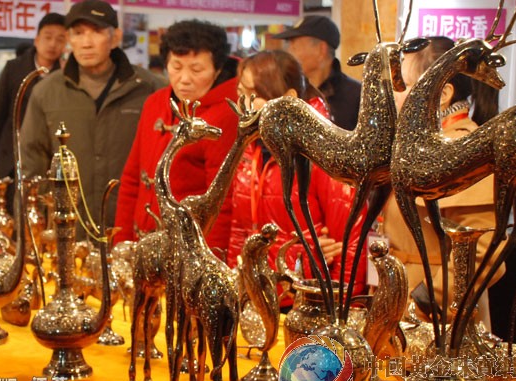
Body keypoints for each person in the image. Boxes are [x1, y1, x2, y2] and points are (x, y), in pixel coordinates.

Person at [227, 50, 367, 312]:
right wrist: (236, 289)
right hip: (258, 297)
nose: (243, 104)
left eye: (253, 95)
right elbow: (240, 230)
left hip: (307, 303)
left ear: (289, 97)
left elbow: (351, 243)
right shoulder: (251, 148)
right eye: (240, 93)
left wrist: (340, 310)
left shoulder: (322, 150)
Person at [384, 36, 503, 326]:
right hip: (401, 303)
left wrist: (426, 302)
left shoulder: (466, 148)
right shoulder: (416, 146)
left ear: (443, 93)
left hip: (437, 319)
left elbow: (482, 248)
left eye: (403, 85)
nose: (393, 95)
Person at [20, 0, 165, 233]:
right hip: (68, 228)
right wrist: (35, 224)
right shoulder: (46, 92)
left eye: (96, 32)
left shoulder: (150, 89)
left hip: (131, 227)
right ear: (69, 39)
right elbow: (32, 163)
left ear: (115, 38)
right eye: (78, 33)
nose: (86, 43)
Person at [115, 20, 239, 252]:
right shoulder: (154, 103)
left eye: (196, 70)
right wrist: (121, 244)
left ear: (218, 69)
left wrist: (210, 263)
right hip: (142, 246)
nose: (184, 78)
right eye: (176, 66)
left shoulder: (226, 115)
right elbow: (132, 179)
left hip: (189, 251)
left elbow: (222, 204)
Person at [0, 12, 67, 213]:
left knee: (41, 209)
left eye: (60, 39)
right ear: (37, 39)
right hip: (10, 153)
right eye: (48, 37)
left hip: (45, 155)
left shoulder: (65, 75)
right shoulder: (14, 68)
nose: (53, 44)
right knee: (7, 209)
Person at [272, 15, 361, 131]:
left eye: (294, 46)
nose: (289, 52)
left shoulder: (357, 96)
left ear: (321, 50)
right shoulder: (287, 91)